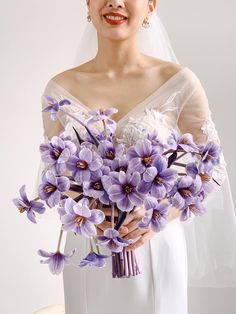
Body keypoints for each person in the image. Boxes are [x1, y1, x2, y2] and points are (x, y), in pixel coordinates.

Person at [34, 0, 236, 313]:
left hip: (156, 246)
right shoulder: (59, 89)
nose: (115, 2)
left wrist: (159, 216)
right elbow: (54, 177)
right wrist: (88, 209)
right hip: (90, 246)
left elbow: (214, 167)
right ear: (88, 2)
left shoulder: (179, 82)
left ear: (151, 5)